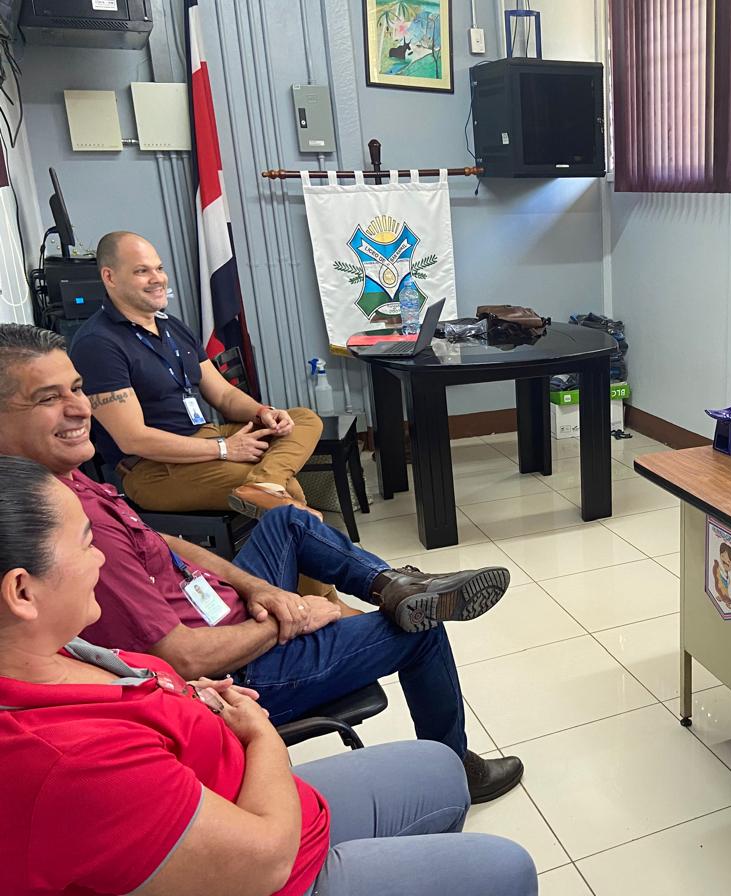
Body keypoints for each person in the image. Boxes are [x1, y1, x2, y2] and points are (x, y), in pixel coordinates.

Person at [0, 455, 538, 896]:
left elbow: (153, 698)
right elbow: (264, 862)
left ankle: (395, 587)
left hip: (234, 801)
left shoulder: (61, 652)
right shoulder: (64, 761)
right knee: (510, 876)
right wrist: (260, 733)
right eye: (87, 543)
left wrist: (199, 694)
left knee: (439, 769)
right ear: (22, 591)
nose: (100, 555)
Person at [0, 323, 522, 803]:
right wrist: (288, 616)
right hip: (239, 669)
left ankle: (397, 586)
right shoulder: (55, 526)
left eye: (76, 388)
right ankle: (458, 773)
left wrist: (255, 586)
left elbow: (161, 542)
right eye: (50, 398)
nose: (79, 408)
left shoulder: (64, 478)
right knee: (421, 633)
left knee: (287, 522)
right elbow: (183, 658)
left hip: (228, 612)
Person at [70, 230, 322, 520]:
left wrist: (262, 412)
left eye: (159, 268)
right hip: (152, 468)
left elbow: (224, 395)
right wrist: (224, 449)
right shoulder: (98, 343)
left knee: (303, 419)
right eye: (142, 271)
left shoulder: (170, 326)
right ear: (109, 277)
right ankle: (272, 495)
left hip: (206, 438)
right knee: (289, 494)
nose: (157, 279)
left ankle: (264, 484)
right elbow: (133, 440)